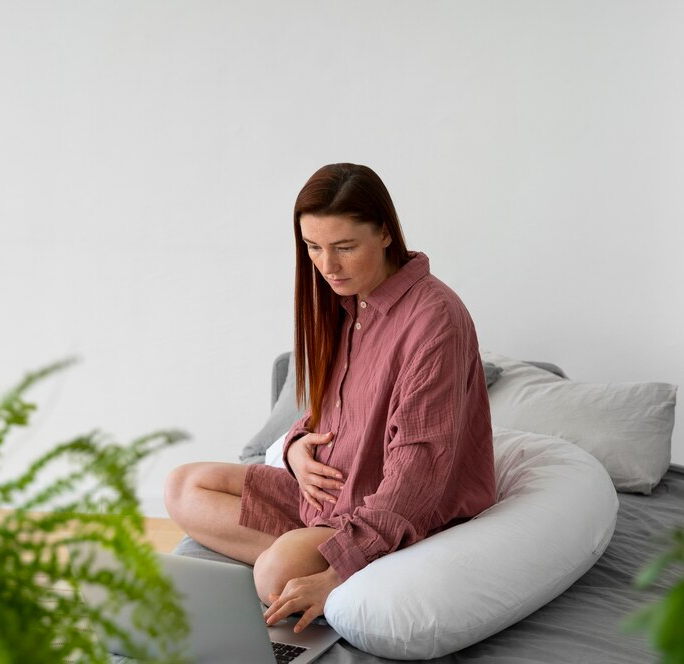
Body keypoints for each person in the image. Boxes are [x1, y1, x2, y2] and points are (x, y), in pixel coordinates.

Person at [164, 163, 495, 633]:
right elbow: (329, 409)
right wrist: (297, 447)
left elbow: (420, 470)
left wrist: (340, 570)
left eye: (344, 247)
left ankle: (324, 561)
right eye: (313, 247)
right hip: (326, 497)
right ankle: (306, 552)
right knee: (183, 485)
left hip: (387, 512)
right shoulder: (348, 300)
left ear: (384, 232)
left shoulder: (434, 319)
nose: (327, 266)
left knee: (276, 574)